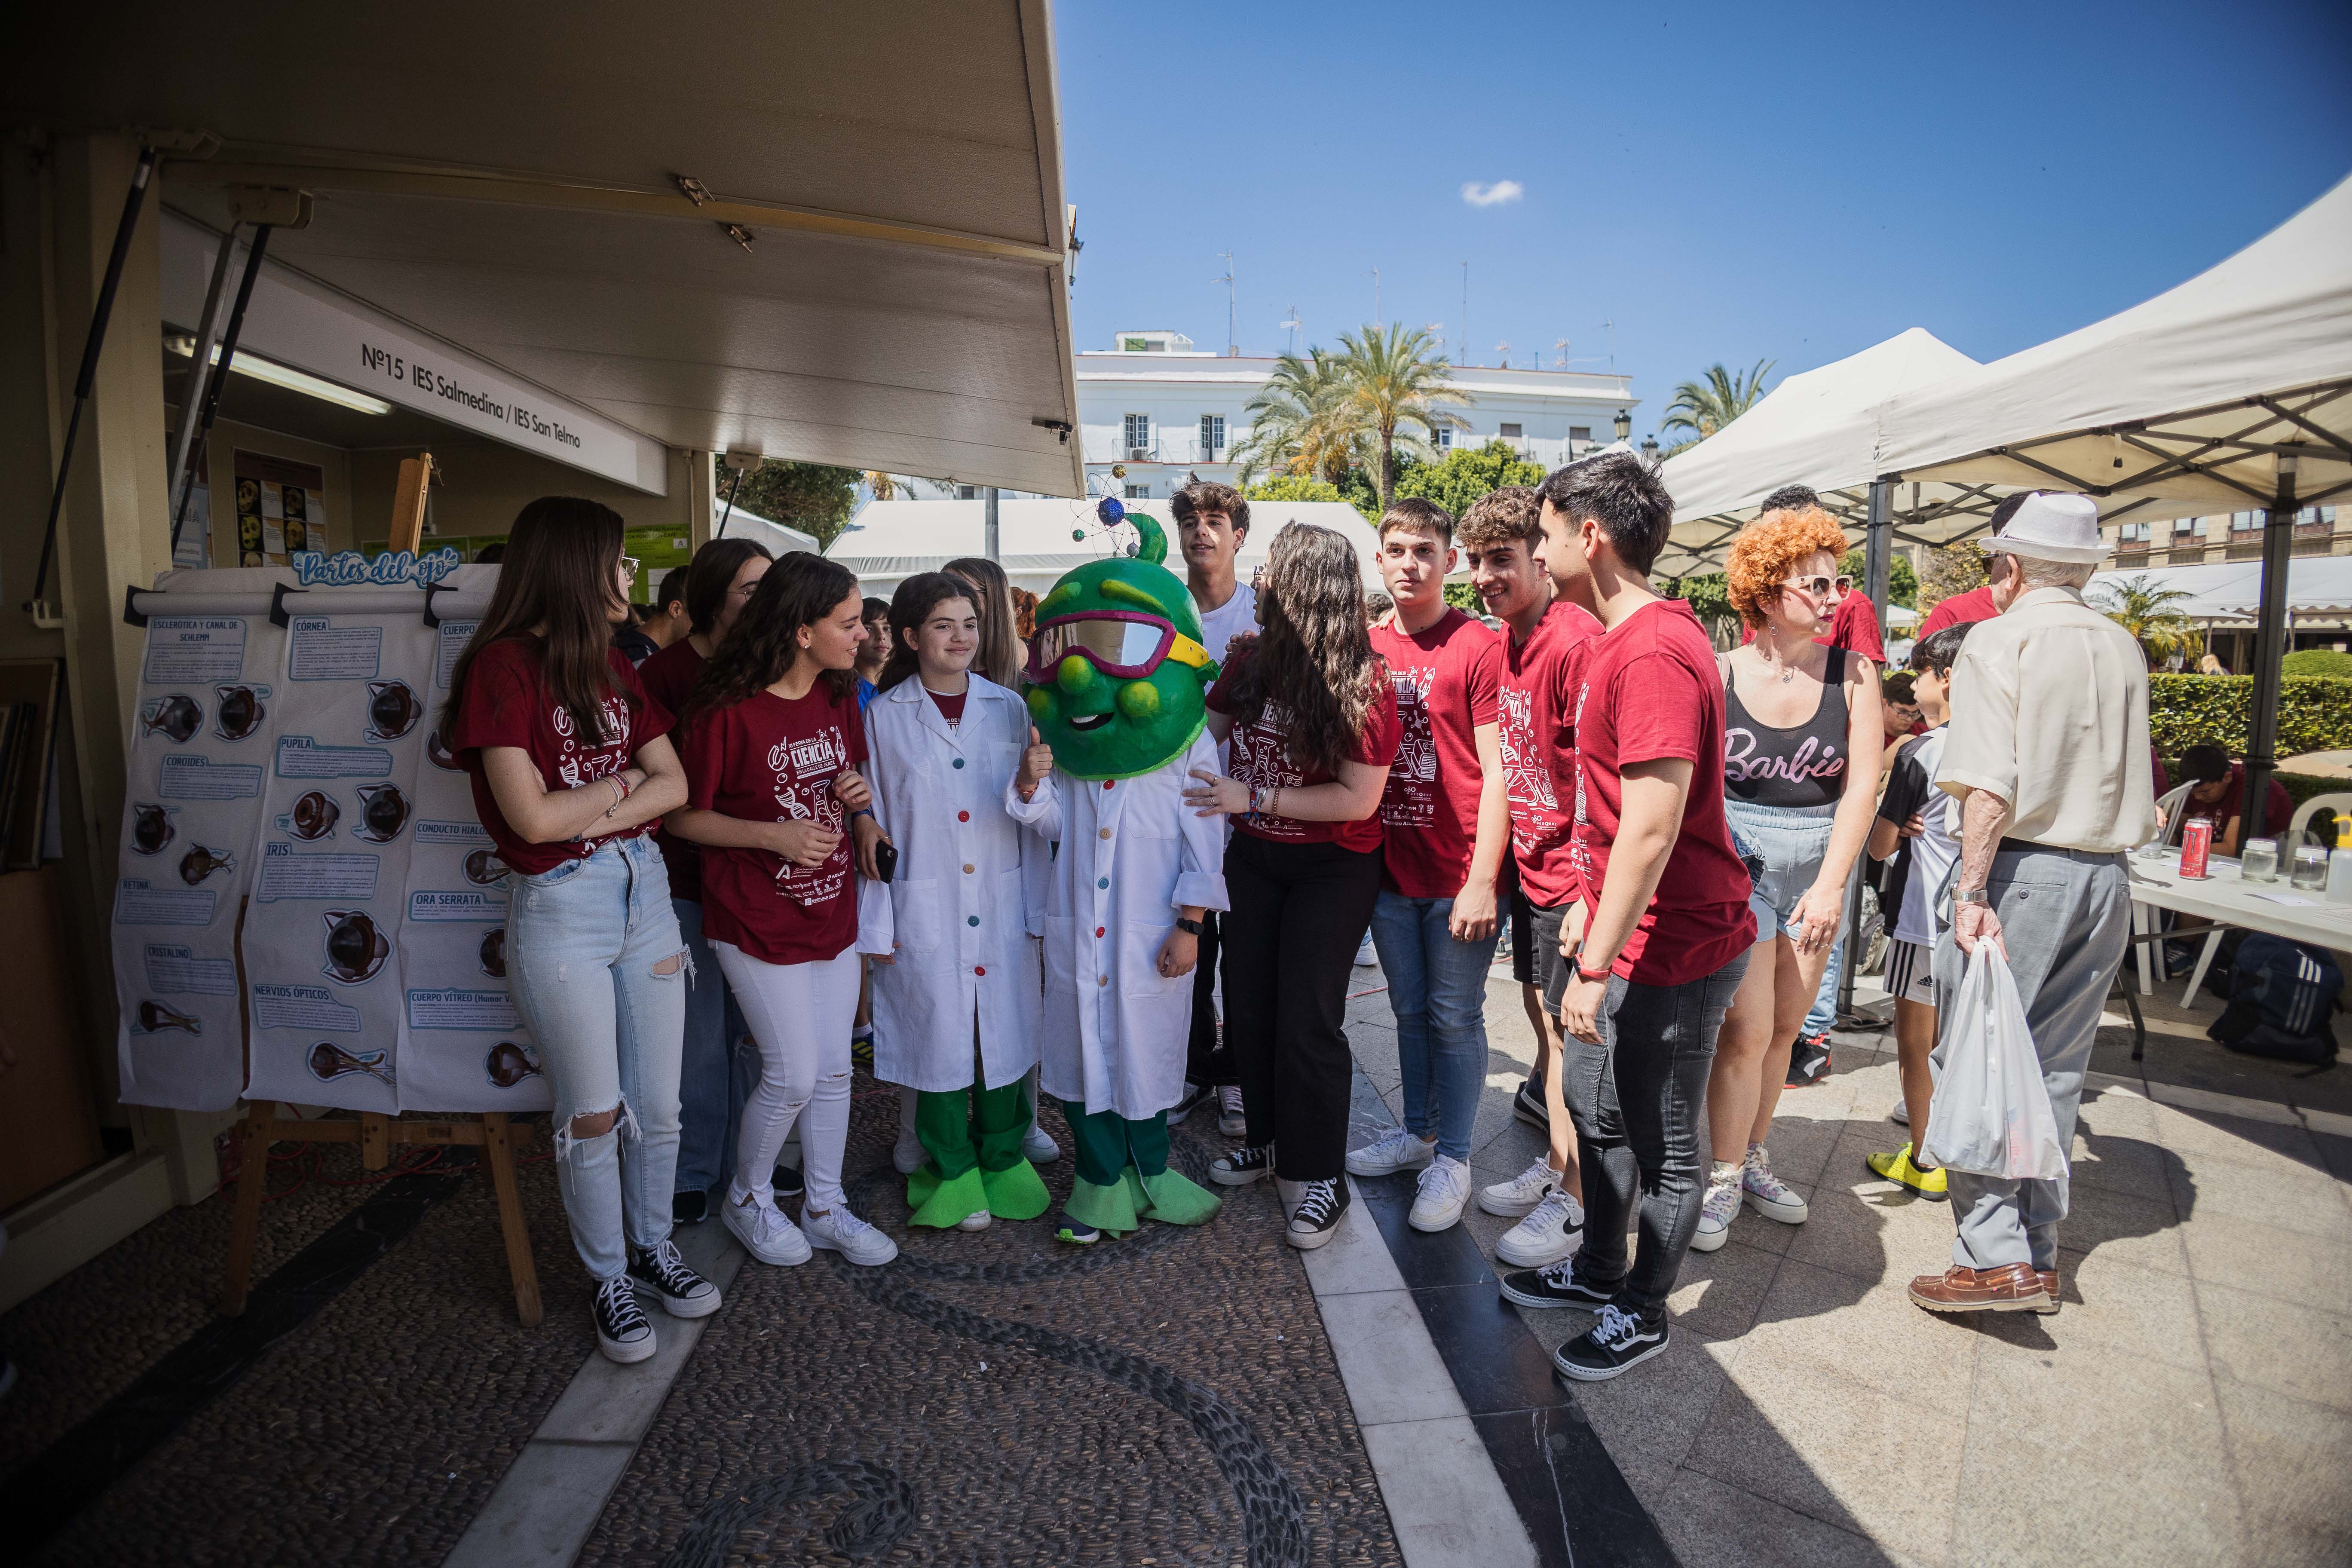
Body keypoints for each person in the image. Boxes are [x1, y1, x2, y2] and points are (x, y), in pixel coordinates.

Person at [1498, 453, 1756, 1384]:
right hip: (1624, 931)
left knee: (1664, 1141)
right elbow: (1616, 821)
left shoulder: (1649, 649)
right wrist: (1591, 919)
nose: (1537, 542)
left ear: (1588, 533)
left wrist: (1599, 960)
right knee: (1590, 1106)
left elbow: (1652, 828)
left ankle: (1641, 1311)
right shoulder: (1624, 635)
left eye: (1545, 527)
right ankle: (1600, 1268)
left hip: (1677, 942)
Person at [444, 496, 717, 1365]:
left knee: (661, 1105)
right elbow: (529, 821)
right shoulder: (501, 669)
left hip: (642, 894)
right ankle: (608, 1277)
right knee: (594, 1112)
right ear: (575, 567)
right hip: (563, 905)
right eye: (619, 560)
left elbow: (673, 782)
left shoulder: (610, 664)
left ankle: (653, 1249)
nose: (630, 576)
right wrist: (613, 799)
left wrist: (590, 809)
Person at [1911, 493, 2156, 1315]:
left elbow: (1988, 784)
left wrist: (1971, 888)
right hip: (2106, 878)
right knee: (2052, 1071)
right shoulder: (2121, 643)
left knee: (1976, 1060)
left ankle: (1990, 1257)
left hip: (2023, 871)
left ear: (2008, 569)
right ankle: (2036, 1254)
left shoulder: (1999, 636)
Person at [1008, 507, 1230, 1243]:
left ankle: (1152, 1172)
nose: (1082, 668)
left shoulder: (1188, 748)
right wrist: (1034, 784)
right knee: (1080, 1060)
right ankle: (1099, 1181)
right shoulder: (1071, 753)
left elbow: (1207, 842)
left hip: (1150, 934)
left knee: (1148, 1058)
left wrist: (1190, 925)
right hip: (1077, 934)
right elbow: (1049, 830)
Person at [672, 554, 899, 1271]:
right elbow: (683, 816)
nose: (863, 635)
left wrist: (862, 819)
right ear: (802, 630)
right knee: (793, 1072)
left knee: (834, 1070)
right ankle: (749, 1196)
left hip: (830, 907)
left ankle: (825, 1205)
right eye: (849, 622)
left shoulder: (837, 695)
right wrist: (771, 834)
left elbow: (847, 777)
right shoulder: (724, 708)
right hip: (751, 916)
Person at [1189, 523, 1400, 1250]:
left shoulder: (1364, 682)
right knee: (1247, 1008)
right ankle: (1268, 1141)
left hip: (1331, 868)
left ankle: (1320, 1176)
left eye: (1273, 567)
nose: (1260, 576)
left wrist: (1254, 798)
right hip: (1253, 860)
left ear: (1305, 586)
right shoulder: (1249, 656)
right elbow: (1202, 732)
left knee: (1308, 1021)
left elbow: (1357, 799)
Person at [1692, 505, 1883, 1254]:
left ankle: (1753, 1158)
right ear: (1767, 592)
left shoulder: (1855, 672)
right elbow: (1700, 781)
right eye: (1815, 585)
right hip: (1738, 861)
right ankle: (1722, 1171)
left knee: (1783, 1033)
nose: (1834, 598)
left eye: (1835, 584)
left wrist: (1833, 884)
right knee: (1743, 1028)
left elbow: (1861, 786)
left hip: (1818, 861)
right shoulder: (1721, 671)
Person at [855, 573, 1049, 1230]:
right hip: (924, 902)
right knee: (937, 1038)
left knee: (1002, 1033)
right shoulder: (883, 718)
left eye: (969, 623)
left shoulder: (1009, 709)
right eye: (943, 625)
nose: (961, 637)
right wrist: (878, 923)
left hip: (1000, 900)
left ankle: (1002, 1158)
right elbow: (876, 822)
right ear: (911, 637)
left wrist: (1028, 789)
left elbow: (1034, 814)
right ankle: (951, 1168)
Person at [1341, 498, 1509, 1234]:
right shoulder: (1367, 645)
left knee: (1453, 1014)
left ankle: (1457, 1157)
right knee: (1407, 1012)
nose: (1410, 563)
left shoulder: (1476, 644)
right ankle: (1418, 1131)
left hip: (1458, 870)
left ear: (1450, 561)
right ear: (1378, 560)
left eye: (1425, 550)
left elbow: (1499, 770)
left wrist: (1482, 877)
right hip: (1386, 868)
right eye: (1397, 550)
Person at [1457, 487, 1600, 1266]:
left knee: (1572, 1048)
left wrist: (1589, 892)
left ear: (1538, 558)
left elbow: (1605, 777)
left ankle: (1577, 1206)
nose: (1485, 574)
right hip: (1533, 873)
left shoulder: (1575, 641)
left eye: (1501, 559)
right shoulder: (1507, 639)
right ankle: (1555, 1168)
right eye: (1476, 561)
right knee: (1544, 1035)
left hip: (1572, 885)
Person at [639, 538, 776, 1225]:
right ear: (711, 596)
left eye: (767, 586)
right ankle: (694, 1167)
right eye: (749, 588)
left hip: (765, 877)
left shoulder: (773, 665)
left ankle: (753, 1154)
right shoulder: (662, 674)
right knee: (699, 1035)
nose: (762, 599)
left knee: (759, 1030)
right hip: (687, 877)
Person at [943, 554, 1059, 1170]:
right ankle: (925, 1125)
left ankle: (1026, 1117)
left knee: (1016, 1004)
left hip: (1013, 866)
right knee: (939, 1010)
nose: (957, 623)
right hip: (947, 871)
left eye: (968, 605)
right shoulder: (911, 693)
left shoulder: (1026, 690)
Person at [1863, 623, 1971, 1196]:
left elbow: (1878, 846)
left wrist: (1898, 828)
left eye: (1924, 672)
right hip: (1981, 919)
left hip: (1921, 920)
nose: (1918, 684)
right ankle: (1960, 1150)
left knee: (1916, 1049)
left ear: (1947, 679)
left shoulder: (1922, 752)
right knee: (1963, 1043)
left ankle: (1928, 1160)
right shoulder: (2004, 744)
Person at [1168, 480, 1259, 1139]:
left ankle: (1237, 1081)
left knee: (1246, 962)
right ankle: (1194, 1071)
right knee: (1187, 954)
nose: (1203, 531)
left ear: (1238, 537)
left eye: (1216, 520)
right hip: (1176, 815)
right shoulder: (1161, 611)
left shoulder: (1264, 616)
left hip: (1253, 815)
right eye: (1191, 521)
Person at [2174, 742, 2294, 858]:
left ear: (2227, 778)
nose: (2198, 798)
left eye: (2205, 792)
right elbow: (2177, 830)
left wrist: (2187, 848)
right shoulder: (2200, 785)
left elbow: (2231, 849)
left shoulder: (2250, 788)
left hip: (2260, 861)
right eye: (2192, 793)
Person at [854, 596, 891, 709]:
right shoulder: (846, 689)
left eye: (887, 628)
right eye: (868, 629)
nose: (881, 636)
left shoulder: (905, 684)